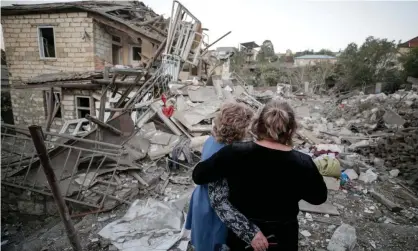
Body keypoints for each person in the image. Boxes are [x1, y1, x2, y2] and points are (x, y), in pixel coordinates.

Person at [192, 99, 328, 251]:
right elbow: (318, 197)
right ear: (291, 129)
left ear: (257, 124)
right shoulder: (303, 163)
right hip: (283, 237)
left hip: (243, 239)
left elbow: (199, 176)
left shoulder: (234, 152)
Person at [185, 102, 260, 251]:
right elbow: (219, 200)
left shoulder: (211, 140)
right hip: (213, 207)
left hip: (201, 197)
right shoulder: (227, 153)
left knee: (203, 240)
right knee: (214, 242)